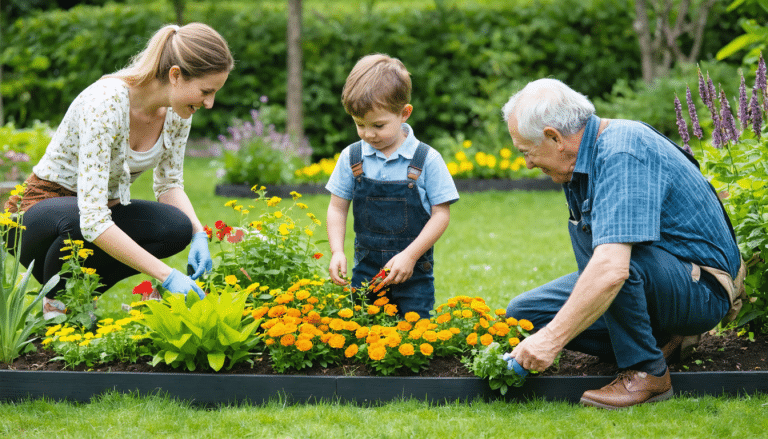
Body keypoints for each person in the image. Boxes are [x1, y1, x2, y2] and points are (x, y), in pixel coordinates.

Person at [502, 78, 745, 409]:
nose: (528, 163)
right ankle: (662, 341)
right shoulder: (577, 166)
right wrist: (544, 333)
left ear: (555, 138)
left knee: (615, 267)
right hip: (657, 280)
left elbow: (613, 268)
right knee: (524, 315)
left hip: (703, 289)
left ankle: (648, 373)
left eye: (527, 152)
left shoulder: (622, 151)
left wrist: (552, 340)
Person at [6, 22, 234, 319]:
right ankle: (58, 302)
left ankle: (71, 295)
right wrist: (167, 276)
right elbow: (92, 219)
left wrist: (198, 233)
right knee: (81, 223)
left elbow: (169, 184)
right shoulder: (106, 104)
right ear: (175, 75)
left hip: (93, 215)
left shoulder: (178, 114)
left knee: (176, 229)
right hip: (33, 216)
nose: (210, 102)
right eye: (206, 91)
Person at [325, 54, 459, 319]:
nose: (368, 134)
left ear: (404, 113)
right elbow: (337, 209)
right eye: (359, 124)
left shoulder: (426, 159)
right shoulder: (352, 158)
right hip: (366, 270)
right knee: (363, 334)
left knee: (415, 338)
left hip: (413, 273)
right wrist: (337, 251)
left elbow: (441, 214)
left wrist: (410, 256)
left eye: (378, 125)